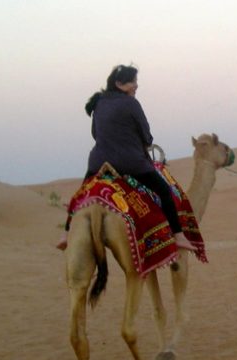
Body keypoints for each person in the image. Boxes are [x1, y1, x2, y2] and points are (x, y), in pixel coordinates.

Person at [57, 64, 197, 253]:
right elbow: (146, 136)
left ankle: (66, 234)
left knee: (82, 194)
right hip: (131, 163)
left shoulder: (99, 103)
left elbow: (95, 134)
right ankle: (178, 235)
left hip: (98, 163)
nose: (136, 86)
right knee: (164, 191)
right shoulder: (131, 103)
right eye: (132, 82)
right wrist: (142, 143)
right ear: (119, 83)